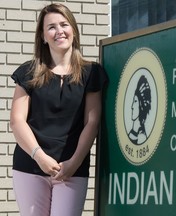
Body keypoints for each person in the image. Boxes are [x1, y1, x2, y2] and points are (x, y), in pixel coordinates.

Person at [9, 3, 107, 216]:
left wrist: (74, 162)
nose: (59, 31)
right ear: (43, 36)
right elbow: (17, 121)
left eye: (64, 24)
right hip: (31, 166)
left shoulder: (92, 73)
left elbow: (92, 122)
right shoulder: (28, 72)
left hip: (72, 168)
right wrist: (40, 157)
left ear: (73, 29)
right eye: (51, 27)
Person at [128, 75, 151, 145]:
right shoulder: (131, 134)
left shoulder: (142, 137)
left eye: (135, 102)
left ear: (141, 105)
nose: (132, 106)